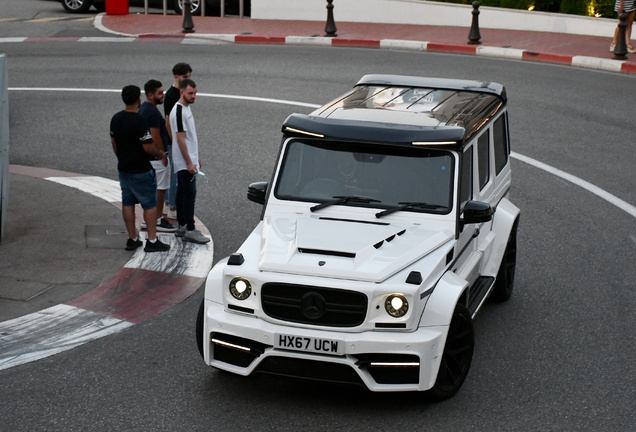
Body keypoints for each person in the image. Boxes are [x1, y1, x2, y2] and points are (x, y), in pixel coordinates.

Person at [110, 85, 171, 253]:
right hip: (141, 169)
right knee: (149, 204)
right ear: (138, 99)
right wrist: (160, 154)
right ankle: (152, 240)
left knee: (127, 203)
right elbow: (147, 147)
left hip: (124, 168)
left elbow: (114, 142)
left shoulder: (116, 119)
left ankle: (132, 238)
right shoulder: (139, 121)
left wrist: (121, 157)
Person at [169, 78, 210, 244]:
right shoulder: (179, 111)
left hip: (188, 160)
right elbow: (180, 139)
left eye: (195, 93)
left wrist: (195, 157)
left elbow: (189, 138)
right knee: (189, 194)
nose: (193, 96)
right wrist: (188, 162)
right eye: (190, 93)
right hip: (184, 162)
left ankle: (182, 226)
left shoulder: (185, 109)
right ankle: (190, 229)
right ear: (181, 92)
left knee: (182, 192)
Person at [138, 79, 177, 233]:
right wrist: (162, 154)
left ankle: (148, 220)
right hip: (156, 158)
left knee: (153, 189)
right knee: (161, 189)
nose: (163, 95)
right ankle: (158, 219)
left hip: (147, 158)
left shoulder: (144, 109)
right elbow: (155, 136)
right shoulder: (152, 112)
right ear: (150, 95)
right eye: (159, 93)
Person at [164, 62, 193, 220]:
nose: (187, 79)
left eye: (189, 76)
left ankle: (168, 203)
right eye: (185, 77)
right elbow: (168, 121)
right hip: (173, 141)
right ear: (176, 76)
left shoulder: (178, 92)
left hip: (174, 141)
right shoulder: (172, 95)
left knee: (173, 175)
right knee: (175, 177)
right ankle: (172, 207)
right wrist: (175, 142)